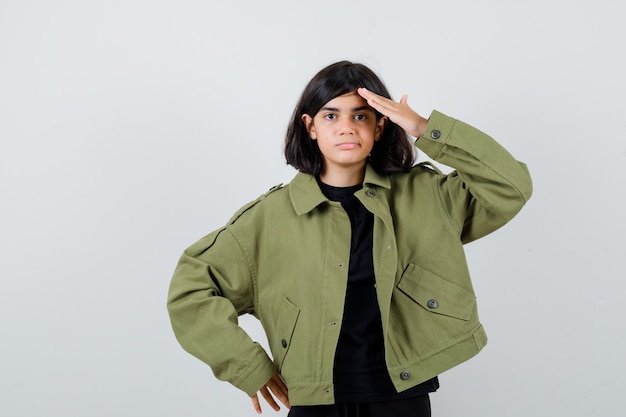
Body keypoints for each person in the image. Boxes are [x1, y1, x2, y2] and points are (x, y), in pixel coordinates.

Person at [167, 61, 532, 416]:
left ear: (380, 125)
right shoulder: (269, 217)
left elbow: (511, 187)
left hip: (402, 399)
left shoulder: (428, 196)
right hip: (313, 402)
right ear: (310, 126)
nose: (346, 128)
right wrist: (247, 366)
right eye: (331, 115)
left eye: (360, 116)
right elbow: (191, 289)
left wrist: (424, 127)